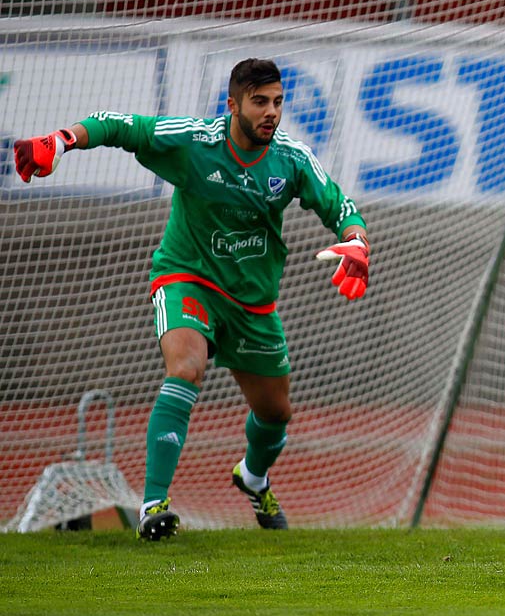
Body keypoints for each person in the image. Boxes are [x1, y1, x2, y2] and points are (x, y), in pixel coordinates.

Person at [12, 58, 370, 541]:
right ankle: (153, 505)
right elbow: (121, 126)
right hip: (188, 277)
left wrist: (357, 242)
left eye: (278, 103)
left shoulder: (291, 158)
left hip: (252, 302)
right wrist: (61, 140)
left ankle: (253, 478)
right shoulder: (195, 140)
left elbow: (340, 205)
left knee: (276, 413)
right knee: (186, 367)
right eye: (260, 102)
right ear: (233, 104)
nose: (271, 113)